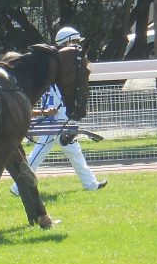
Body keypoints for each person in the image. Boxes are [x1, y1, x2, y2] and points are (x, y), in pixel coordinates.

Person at [10, 26, 107, 195]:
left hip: (60, 120)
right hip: (54, 121)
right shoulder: (61, 68)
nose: (78, 46)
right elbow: (57, 97)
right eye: (75, 42)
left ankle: (91, 184)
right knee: (36, 156)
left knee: (74, 153)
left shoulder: (58, 65)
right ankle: (17, 188)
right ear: (68, 43)